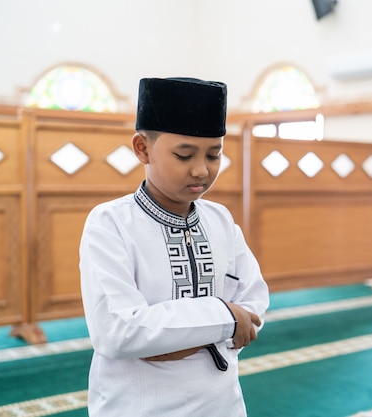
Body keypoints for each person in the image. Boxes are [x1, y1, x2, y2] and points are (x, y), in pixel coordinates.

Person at [79, 77, 270, 417]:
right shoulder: (110, 223)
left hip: (221, 404)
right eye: (184, 155)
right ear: (143, 148)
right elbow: (120, 333)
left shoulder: (220, 219)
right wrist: (225, 316)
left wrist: (170, 337)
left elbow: (253, 308)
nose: (201, 169)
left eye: (214, 155)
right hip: (138, 406)